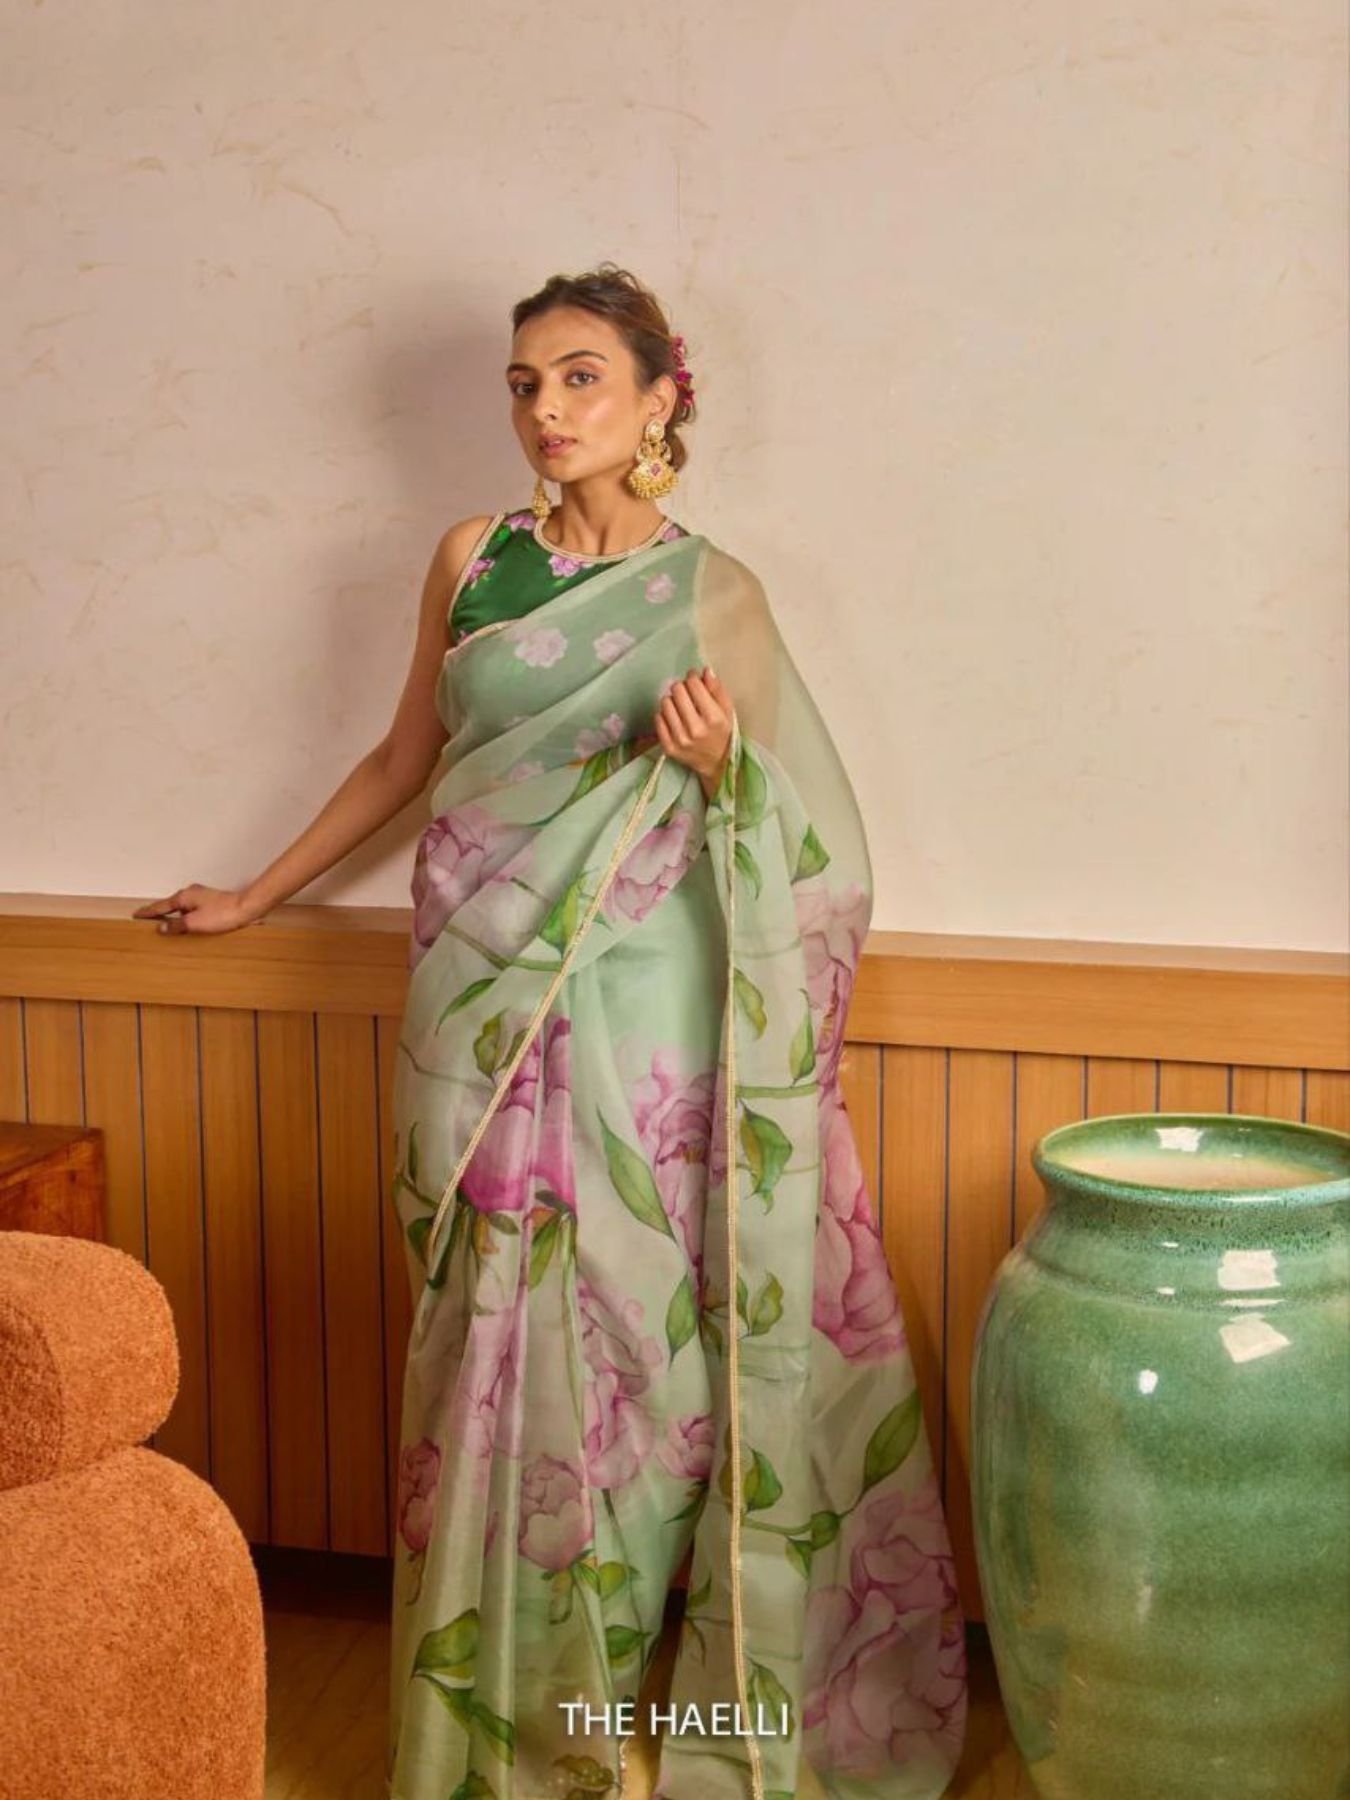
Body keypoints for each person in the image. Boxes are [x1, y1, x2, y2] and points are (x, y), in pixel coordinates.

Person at [133, 263, 968, 1800]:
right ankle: (507, 1720)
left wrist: (720, 771)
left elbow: (805, 841)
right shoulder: (471, 559)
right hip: (472, 1004)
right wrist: (253, 894)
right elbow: (401, 759)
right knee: (485, 1341)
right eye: (525, 382)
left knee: (641, 1361)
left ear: (659, 401)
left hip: (642, 1026)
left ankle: (643, 1714)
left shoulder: (712, 592)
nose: (545, 409)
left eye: (582, 377)